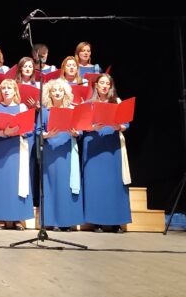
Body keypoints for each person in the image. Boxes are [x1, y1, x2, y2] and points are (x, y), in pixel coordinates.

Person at [81, 74, 131, 231]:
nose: (104, 86)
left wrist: (119, 127)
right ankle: (96, 221)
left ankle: (115, 221)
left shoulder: (116, 102)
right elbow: (81, 125)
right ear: (96, 85)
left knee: (113, 183)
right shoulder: (88, 103)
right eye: (101, 83)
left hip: (112, 145)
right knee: (95, 183)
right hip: (93, 144)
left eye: (107, 83)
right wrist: (92, 127)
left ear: (110, 86)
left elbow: (126, 124)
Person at [0, 79, 34, 230]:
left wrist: (22, 130)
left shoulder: (22, 107)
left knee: (17, 182)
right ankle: (0, 218)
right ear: (0, 91)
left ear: (15, 91)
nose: (6, 90)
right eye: (4, 88)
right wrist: (4, 132)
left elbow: (31, 128)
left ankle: (17, 218)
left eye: (9, 88)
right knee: (1, 182)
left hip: (17, 149)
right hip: (0, 148)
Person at [40, 78, 84, 230]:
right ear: (49, 94)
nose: (57, 93)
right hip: (51, 151)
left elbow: (80, 129)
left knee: (66, 185)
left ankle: (67, 221)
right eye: (54, 90)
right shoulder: (45, 111)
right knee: (52, 185)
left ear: (65, 93)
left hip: (67, 150)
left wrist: (76, 133)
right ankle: (53, 222)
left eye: (60, 90)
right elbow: (38, 131)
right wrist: (47, 135)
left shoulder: (72, 109)